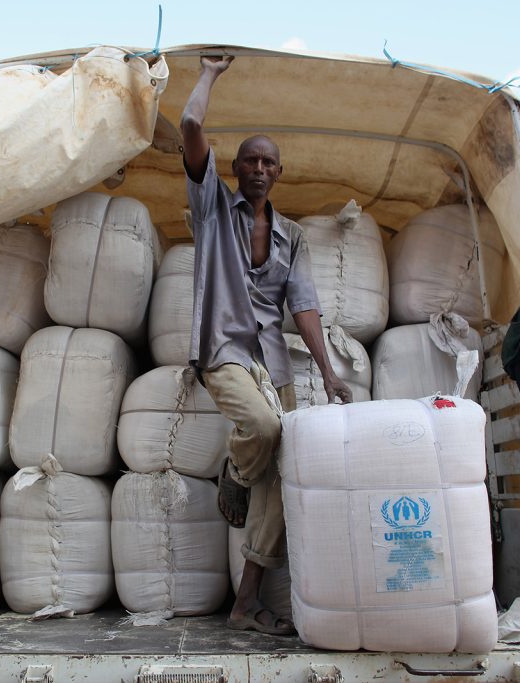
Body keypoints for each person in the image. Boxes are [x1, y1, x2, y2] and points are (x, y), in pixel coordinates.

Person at [180, 55, 353, 635]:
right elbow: (188, 128)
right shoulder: (211, 207)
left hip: (272, 360)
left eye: (268, 162)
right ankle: (234, 466)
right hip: (223, 350)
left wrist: (328, 372)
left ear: (279, 172)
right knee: (266, 429)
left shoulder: (292, 235)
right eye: (249, 160)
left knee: (282, 473)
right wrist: (209, 74)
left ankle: (246, 601)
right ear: (235, 167)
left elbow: (303, 305)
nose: (258, 168)